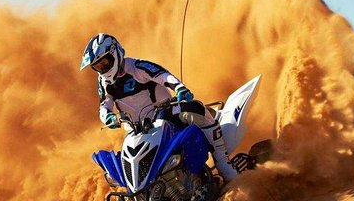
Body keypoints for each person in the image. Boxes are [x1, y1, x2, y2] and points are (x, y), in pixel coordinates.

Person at [80, 33, 238, 181]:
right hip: (136, 129)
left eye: (104, 63)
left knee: (196, 108)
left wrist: (180, 88)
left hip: (166, 115)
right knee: (123, 167)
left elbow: (164, 76)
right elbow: (104, 105)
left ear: (115, 53)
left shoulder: (138, 66)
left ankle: (223, 162)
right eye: (98, 67)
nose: (102, 69)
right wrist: (108, 117)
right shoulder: (103, 82)